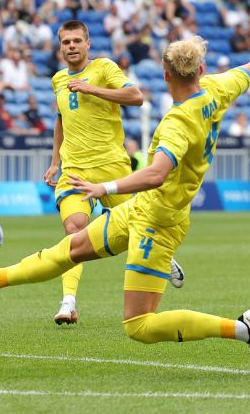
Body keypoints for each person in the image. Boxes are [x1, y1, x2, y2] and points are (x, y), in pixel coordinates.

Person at [0, 0, 250, 364]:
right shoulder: (217, 90)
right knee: (73, 246)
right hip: (143, 209)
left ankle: (243, 329)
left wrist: (104, 188)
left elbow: (157, 173)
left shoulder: (178, 122)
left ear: (166, 74)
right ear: (201, 71)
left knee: (138, 325)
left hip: (159, 222)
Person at [42, 20, 183, 326]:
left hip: (112, 169)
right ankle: (68, 303)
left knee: (141, 227)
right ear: (60, 46)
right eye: (66, 42)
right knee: (74, 231)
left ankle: (163, 255)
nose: (71, 46)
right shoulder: (57, 80)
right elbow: (60, 119)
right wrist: (55, 161)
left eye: (77, 40)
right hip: (74, 172)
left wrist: (90, 88)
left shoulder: (104, 68)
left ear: (87, 43)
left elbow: (136, 96)